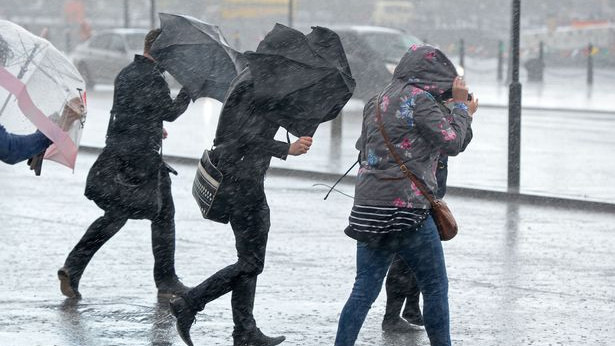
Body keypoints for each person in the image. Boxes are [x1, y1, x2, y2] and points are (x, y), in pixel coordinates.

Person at [334, 45, 478, 346]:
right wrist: (462, 109)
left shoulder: (376, 100)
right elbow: (452, 142)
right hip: (406, 210)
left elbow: (364, 147)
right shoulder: (419, 101)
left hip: (368, 209)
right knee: (435, 287)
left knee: (363, 290)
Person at [168, 68, 312, 346]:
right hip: (242, 183)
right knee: (251, 262)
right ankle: (190, 302)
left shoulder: (250, 80)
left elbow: (248, 129)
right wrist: (286, 149)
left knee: (248, 258)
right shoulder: (255, 87)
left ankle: (244, 331)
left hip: (241, 180)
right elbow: (243, 137)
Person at [57, 28, 191, 299]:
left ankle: (73, 266)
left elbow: (131, 112)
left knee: (115, 216)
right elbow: (170, 113)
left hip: (119, 156)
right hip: (143, 161)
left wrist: (152, 126)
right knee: (164, 216)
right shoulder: (154, 79)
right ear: (161, 51)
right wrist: (189, 90)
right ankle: (166, 281)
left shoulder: (126, 73)